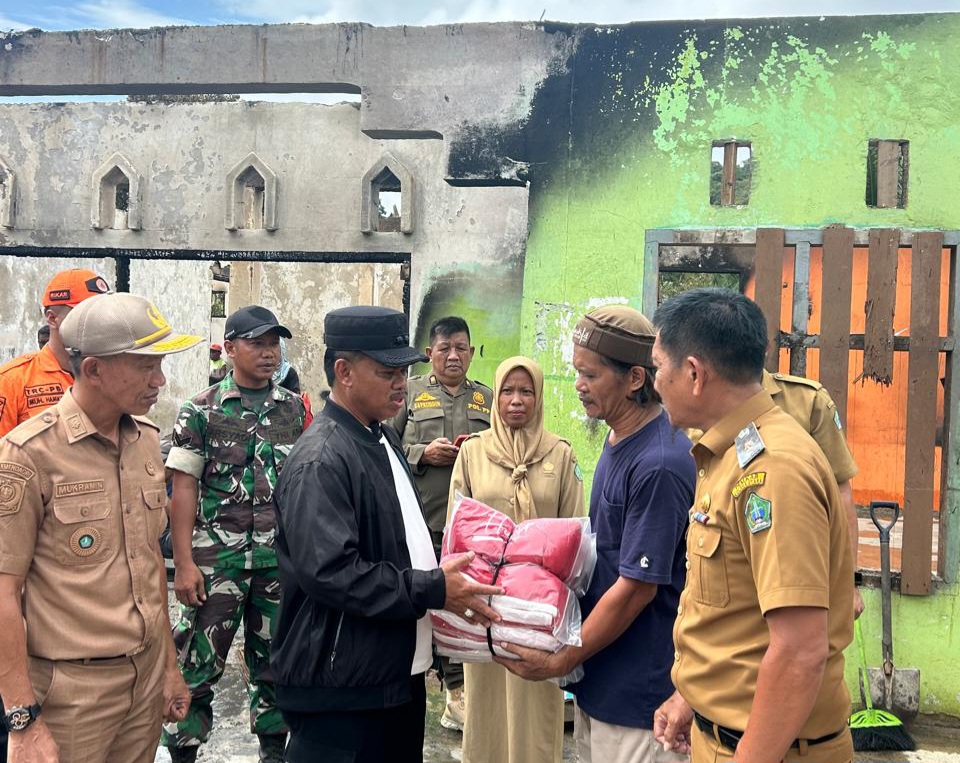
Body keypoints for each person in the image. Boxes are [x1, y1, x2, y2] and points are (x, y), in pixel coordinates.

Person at [271, 305, 502, 763]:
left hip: (392, 677)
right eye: (387, 372)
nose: (401, 383)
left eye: (404, 371)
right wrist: (431, 588)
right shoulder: (322, 459)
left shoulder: (380, 437)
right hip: (343, 692)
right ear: (344, 372)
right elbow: (331, 572)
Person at [650, 288, 855, 763]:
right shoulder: (731, 454)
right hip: (726, 735)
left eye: (658, 367)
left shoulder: (773, 470)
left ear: (694, 373)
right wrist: (692, 698)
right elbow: (738, 617)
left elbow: (800, 651)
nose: (654, 383)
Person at [0, 292, 197, 763]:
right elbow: (4, 592)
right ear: (93, 370)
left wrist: (168, 667)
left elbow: (149, 565)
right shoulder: (28, 455)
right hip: (71, 694)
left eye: (160, 365)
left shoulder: (145, 441)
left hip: (143, 681)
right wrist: (22, 719)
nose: (160, 380)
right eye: (146, 366)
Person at [497, 306, 694, 763]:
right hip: (601, 680)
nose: (579, 385)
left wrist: (562, 659)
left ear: (635, 378)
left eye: (591, 374)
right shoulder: (618, 436)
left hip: (641, 702)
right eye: (577, 372)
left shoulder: (659, 464)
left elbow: (637, 589)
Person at [162, 305, 308, 763]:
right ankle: (183, 751)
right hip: (216, 563)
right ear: (229, 348)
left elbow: (304, 483)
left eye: (274, 344)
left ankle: (273, 750)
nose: (269, 353)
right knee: (197, 662)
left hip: (277, 562)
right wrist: (184, 563)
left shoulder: (294, 409)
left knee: (277, 662)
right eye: (257, 343)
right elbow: (183, 488)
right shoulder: (200, 410)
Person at [449, 355, 585, 763]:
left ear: (538, 397)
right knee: (486, 705)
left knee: (536, 703)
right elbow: (456, 528)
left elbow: (576, 532)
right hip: (485, 604)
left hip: (538, 611)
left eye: (526, 391)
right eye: (507, 390)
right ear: (496, 396)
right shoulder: (473, 452)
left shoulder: (560, 454)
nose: (516, 400)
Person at [389, 315, 493, 730]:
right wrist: (422, 453)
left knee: (462, 605)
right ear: (430, 353)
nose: (453, 356)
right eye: (445, 348)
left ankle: (457, 690)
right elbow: (384, 446)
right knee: (422, 603)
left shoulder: (486, 398)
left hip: (469, 527)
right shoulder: (409, 394)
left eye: (461, 348)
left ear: (471, 352)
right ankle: (425, 678)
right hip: (422, 521)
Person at [761, 370, 864, 618]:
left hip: (797, 571)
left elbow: (841, 495)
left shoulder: (807, 402)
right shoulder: (694, 401)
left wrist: (849, 584)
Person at [0, 268, 111, 437]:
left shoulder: (115, 374)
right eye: (85, 315)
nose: (98, 323)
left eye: (103, 314)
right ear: (52, 319)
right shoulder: (12, 381)